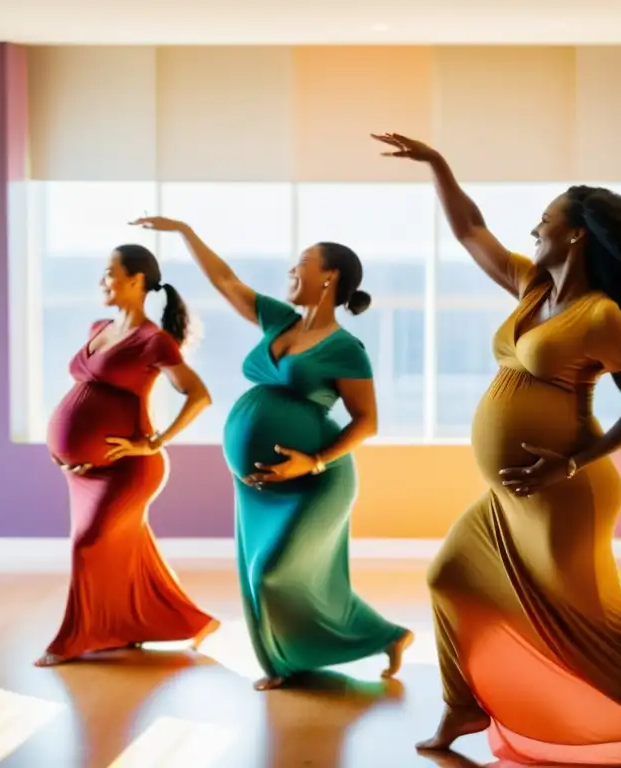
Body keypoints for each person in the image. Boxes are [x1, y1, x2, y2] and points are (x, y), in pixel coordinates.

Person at [372, 132, 621, 765]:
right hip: (510, 492)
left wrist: (571, 462)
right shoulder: (530, 287)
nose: (535, 227)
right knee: (448, 577)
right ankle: (464, 703)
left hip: (565, 491)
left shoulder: (603, 316)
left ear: (576, 234)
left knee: (592, 620)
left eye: (547, 218)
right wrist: (438, 163)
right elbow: (471, 229)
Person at [131, 215, 414, 691]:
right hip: (262, 487)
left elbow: (368, 420)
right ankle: (377, 638)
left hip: (316, 480)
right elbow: (225, 280)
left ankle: (293, 658)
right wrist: (184, 231)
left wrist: (314, 460)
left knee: (273, 571)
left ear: (330, 277)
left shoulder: (346, 348)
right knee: (276, 573)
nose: (290, 269)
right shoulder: (279, 319)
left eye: (301, 263)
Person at [38, 244, 219, 667]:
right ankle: (181, 623)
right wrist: (62, 447)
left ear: (137, 281)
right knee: (129, 549)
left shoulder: (154, 341)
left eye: (109, 272)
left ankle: (73, 639)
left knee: (88, 544)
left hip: (129, 468)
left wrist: (154, 442)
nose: (102, 281)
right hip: (84, 470)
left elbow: (199, 395)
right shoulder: (99, 326)